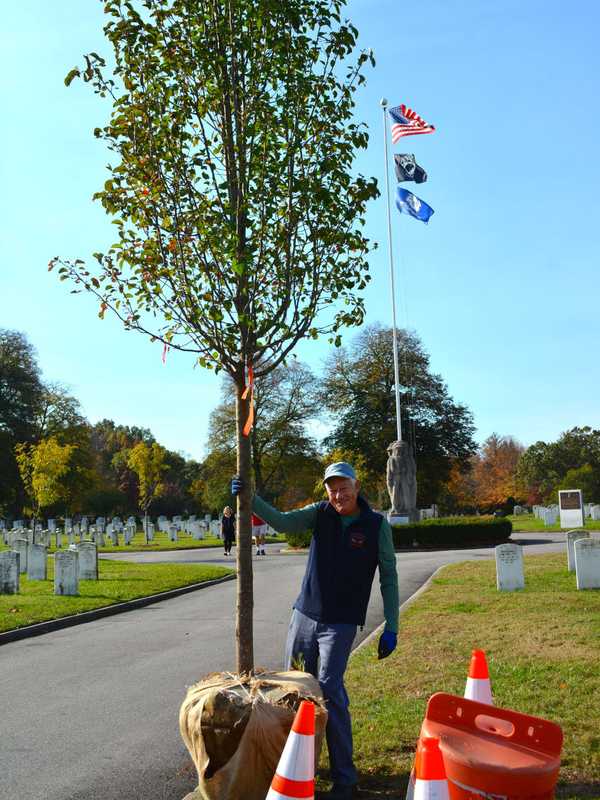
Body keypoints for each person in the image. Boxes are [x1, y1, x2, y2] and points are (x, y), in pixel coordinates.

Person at [232, 462, 399, 800]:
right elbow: (281, 521)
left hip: (340, 624)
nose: (338, 494)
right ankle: (295, 765)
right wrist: (251, 497)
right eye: (332, 489)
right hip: (304, 616)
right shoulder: (319, 513)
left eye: (344, 487)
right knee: (292, 689)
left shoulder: (376, 525)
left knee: (330, 691)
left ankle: (345, 778)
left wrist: (392, 626)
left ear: (357, 485)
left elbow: (389, 577)